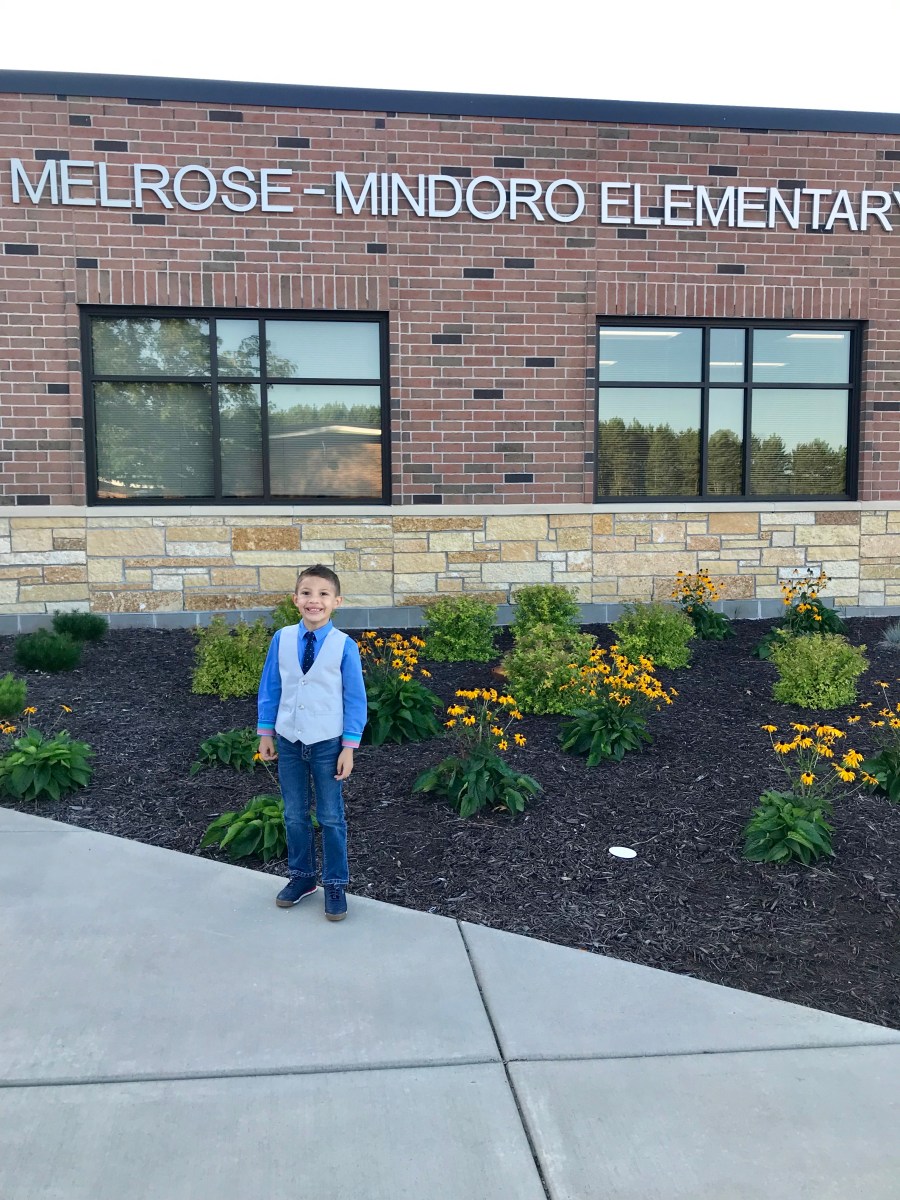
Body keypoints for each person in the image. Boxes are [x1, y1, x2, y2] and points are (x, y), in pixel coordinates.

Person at [257, 564, 367, 921]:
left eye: (323, 594)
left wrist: (349, 747)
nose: (313, 600)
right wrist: (266, 732)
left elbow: (355, 699)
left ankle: (334, 883)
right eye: (306, 593)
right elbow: (271, 686)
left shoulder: (344, 646)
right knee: (294, 813)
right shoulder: (282, 638)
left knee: (331, 816)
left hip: (328, 744)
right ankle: (302, 878)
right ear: (295, 599)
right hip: (289, 740)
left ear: (337, 601)